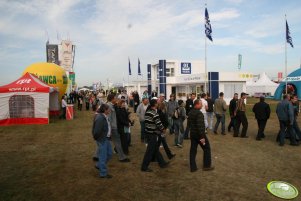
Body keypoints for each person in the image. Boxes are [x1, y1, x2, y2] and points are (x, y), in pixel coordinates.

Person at [141, 99, 169, 172]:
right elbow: (159, 124)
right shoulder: (154, 113)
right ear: (155, 104)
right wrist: (163, 129)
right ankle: (144, 167)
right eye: (157, 103)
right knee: (149, 151)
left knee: (155, 149)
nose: (158, 104)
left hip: (148, 133)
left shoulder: (147, 112)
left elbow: (147, 123)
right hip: (153, 134)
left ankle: (162, 163)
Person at [188, 99, 214, 172]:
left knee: (193, 150)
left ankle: (193, 167)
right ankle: (207, 166)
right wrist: (202, 137)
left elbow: (188, 125)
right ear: (196, 104)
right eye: (201, 104)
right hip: (199, 135)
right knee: (207, 148)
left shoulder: (190, 112)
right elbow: (200, 126)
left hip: (193, 134)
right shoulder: (199, 114)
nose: (202, 105)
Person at [107, 94, 130, 162]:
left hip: (113, 127)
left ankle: (97, 156)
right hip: (113, 127)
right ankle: (122, 157)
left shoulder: (112, 105)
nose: (116, 99)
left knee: (105, 142)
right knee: (117, 142)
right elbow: (109, 118)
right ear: (112, 99)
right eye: (115, 98)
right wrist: (110, 129)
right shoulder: (109, 106)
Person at [92, 104, 113, 178]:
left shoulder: (104, 116)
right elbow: (96, 131)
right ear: (105, 110)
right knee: (103, 156)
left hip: (106, 138)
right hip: (102, 139)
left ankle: (99, 165)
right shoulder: (100, 118)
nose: (109, 110)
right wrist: (98, 138)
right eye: (108, 109)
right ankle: (103, 173)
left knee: (110, 153)